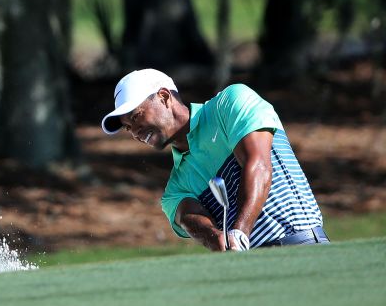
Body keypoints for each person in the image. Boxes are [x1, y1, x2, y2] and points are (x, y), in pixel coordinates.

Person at [101, 69, 329, 251]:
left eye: (137, 116)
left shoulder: (230, 104)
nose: (135, 132)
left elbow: (258, 164)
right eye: (128, 127)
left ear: (164, 97)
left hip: (302, 245)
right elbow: (189, 218)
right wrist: (216, 238)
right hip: (250, 269)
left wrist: (240, 233)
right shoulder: (175, 189)